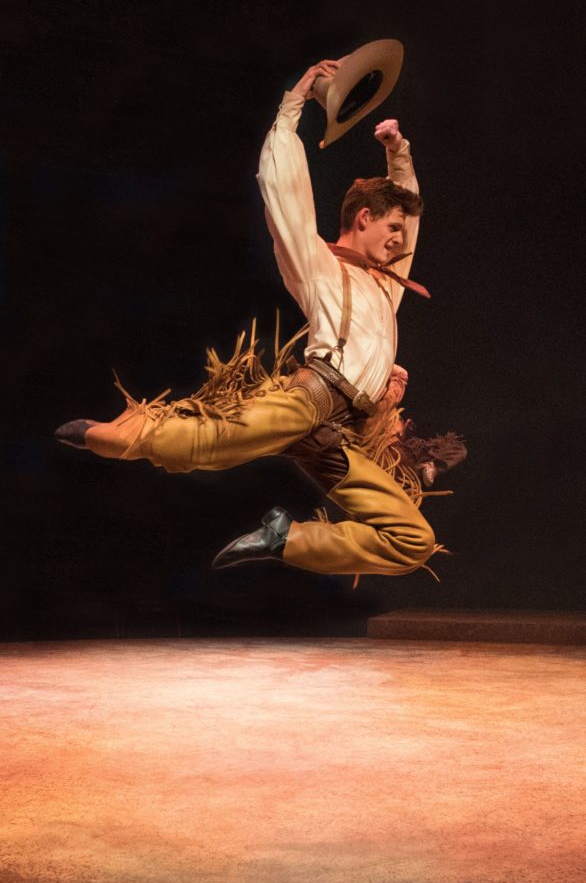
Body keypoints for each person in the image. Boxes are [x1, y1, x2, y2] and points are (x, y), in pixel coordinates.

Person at [55, 59, 438, 578]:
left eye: (402, 233)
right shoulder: (318, 263)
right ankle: (127, 433)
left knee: (412, 539)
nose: (399, 241)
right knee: (216, 443)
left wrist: (399, 154)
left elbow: (410, 216)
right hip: (312, 399)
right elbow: (286, 192)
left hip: (340, 435)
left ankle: (286, 538)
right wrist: (294, 103)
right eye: (391, 228)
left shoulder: (387, 284)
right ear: (363, 219)